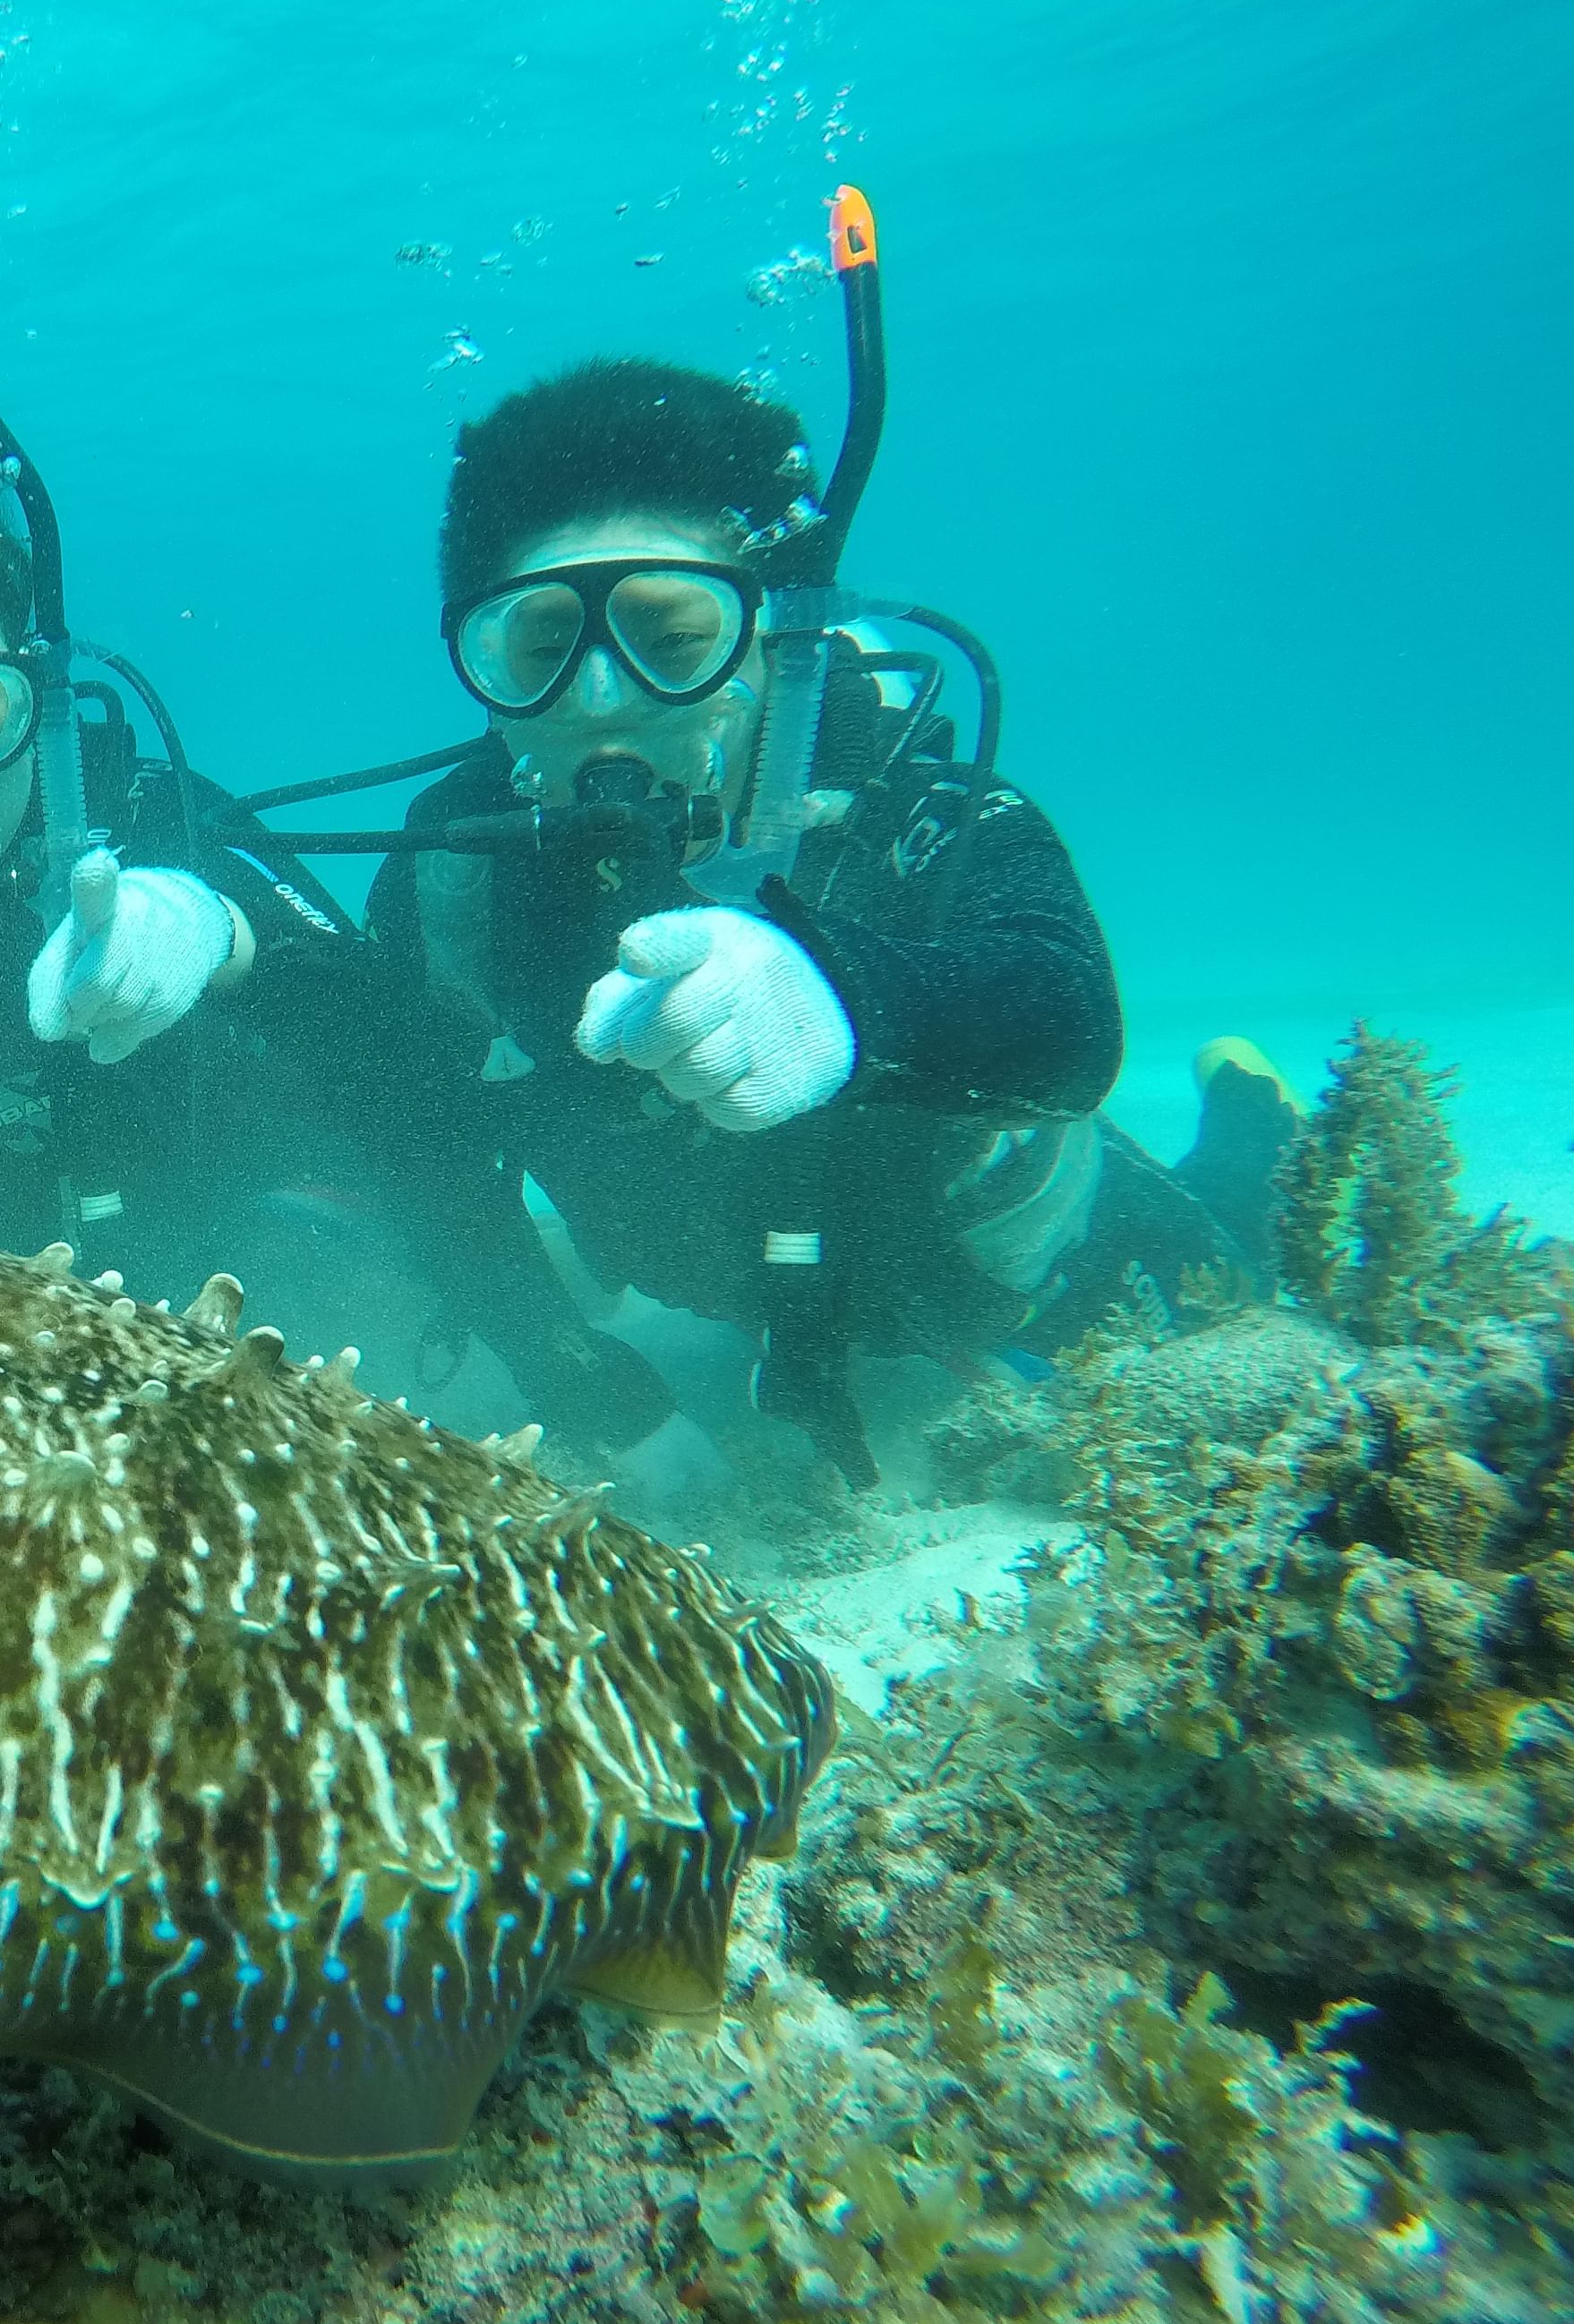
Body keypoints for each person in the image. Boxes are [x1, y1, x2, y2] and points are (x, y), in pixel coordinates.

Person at [0, 352, 673, 1444]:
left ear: (39, 712)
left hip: (253, 1247)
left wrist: (226, 935)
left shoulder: (160, 824)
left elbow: (417, 1080)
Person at [368, 355, 1287, 1481]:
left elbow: (1068, 1018)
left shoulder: (907, 798)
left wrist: (841, 994)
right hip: (718, 1286)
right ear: (483, 658)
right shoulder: (448, 877)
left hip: (1002, 1277)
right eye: (544, 647)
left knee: (1251, 1285)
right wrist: (580, 1379)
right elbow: (414, 1139)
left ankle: (1247, 1115)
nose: (599, 698)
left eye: (668, 639)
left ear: (776, 642)